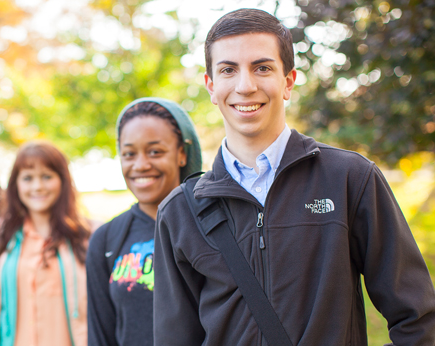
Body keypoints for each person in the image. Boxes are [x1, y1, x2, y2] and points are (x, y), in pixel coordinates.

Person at [153, 8, 435, 346]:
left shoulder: (351, 179)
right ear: (211, 86)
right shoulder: (179, 211)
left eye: (262, 68)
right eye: (229, 70)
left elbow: (419, 320)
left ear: (288, 81)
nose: (245, 85)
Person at [0, 141, 92, 346]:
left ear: (63, 180)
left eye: (47, 177)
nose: (37, 186)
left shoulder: (88, 234)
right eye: (28, 178)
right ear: (16, 185)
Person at [86, 98, 202, 346]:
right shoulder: (106, 239)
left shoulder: (212, 226)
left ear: (182, 153)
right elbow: (100, 335)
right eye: (129, 154)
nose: (141, 165)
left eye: (155, 152)